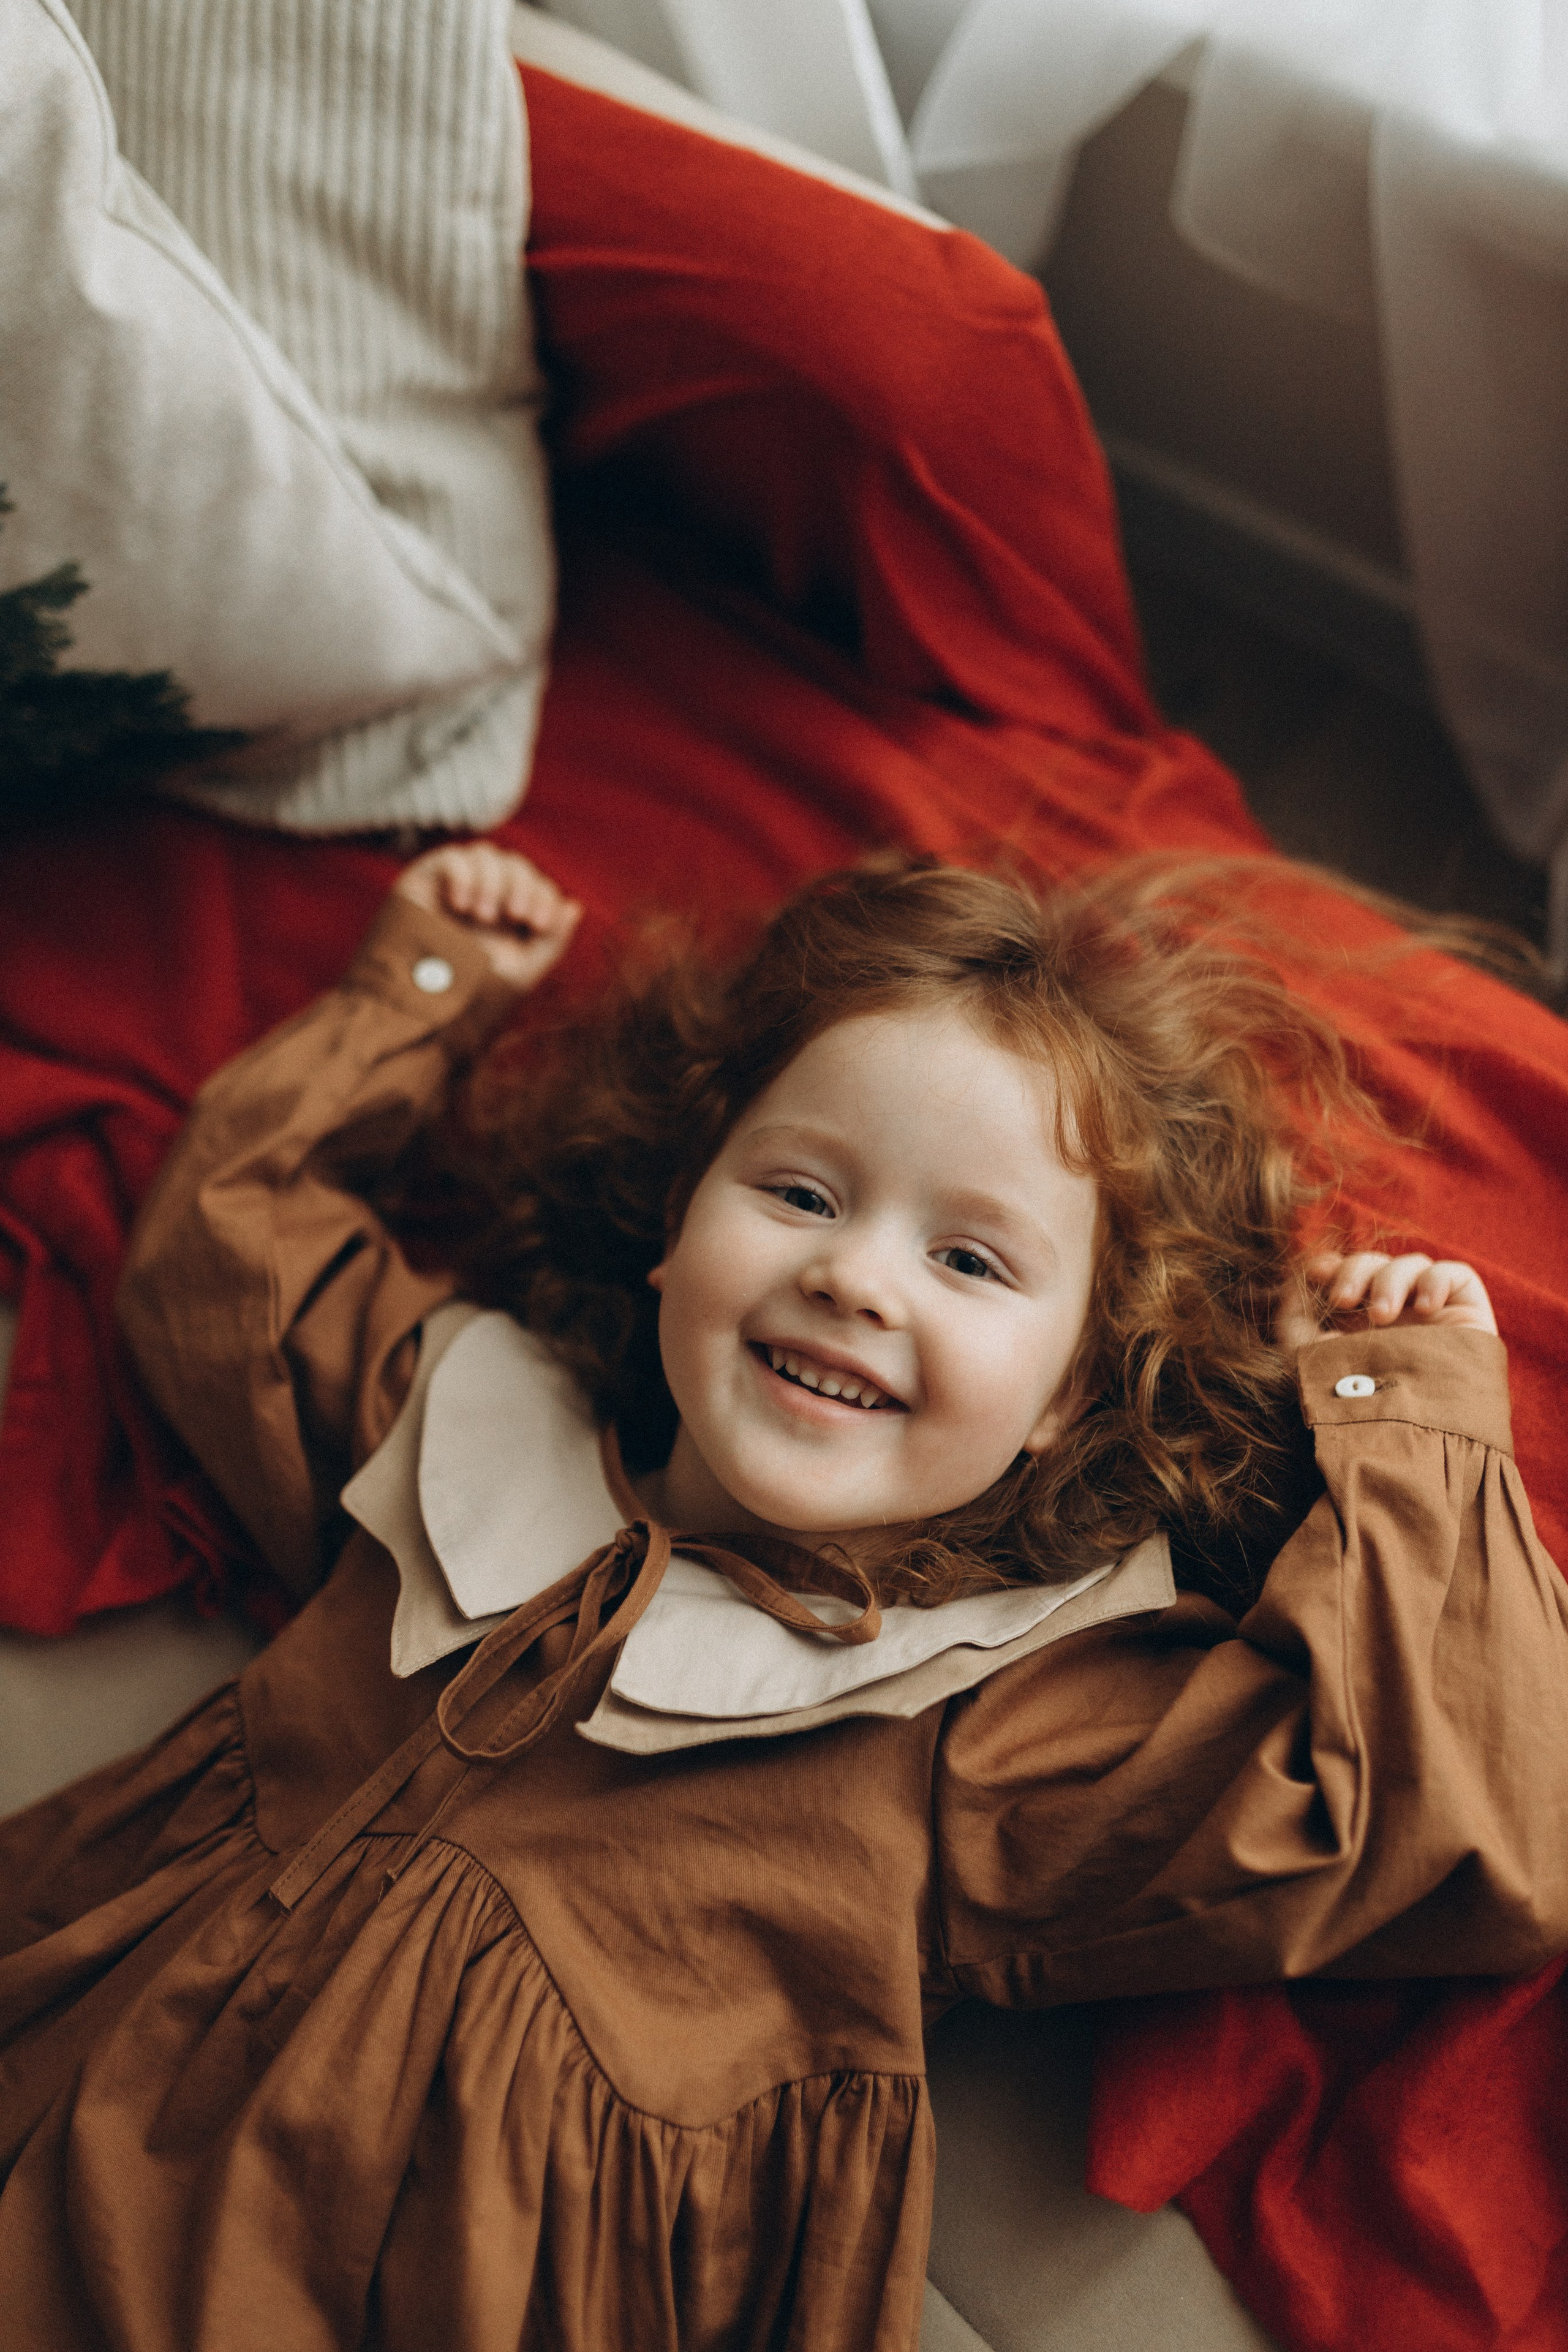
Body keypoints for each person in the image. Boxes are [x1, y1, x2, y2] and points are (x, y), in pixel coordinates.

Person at [2, 841, 1566, 2352]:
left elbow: (1438, 1823)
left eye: (968, 1261)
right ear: (679, 1224)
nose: (856, 1277)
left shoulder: (975, 1718)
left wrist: (1401, 1415)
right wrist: (425, 984)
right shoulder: (461, 1428)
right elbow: (224, 1265)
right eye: (803, 1196)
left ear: (1064, 1398)